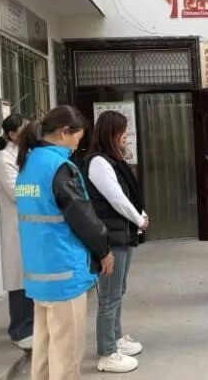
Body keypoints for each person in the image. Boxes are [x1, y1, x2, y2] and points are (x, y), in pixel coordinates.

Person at [15, 105, 114, 380]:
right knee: (66, 356)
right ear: (64, 132)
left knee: (45, 351)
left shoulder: (28, 163)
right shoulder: (59, 167)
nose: (76, 147)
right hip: (64, 273)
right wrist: (104, 250)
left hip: (39, 273)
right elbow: (83, 217)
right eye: (77, 140)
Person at [83, 111, 148, 373]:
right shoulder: (98, 162)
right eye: (122, 131)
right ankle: (107, 351)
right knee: (109, 296)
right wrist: (139, 219)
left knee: (118, 290)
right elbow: (116, 199)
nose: (125, 136)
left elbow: (127, 195)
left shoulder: (113, 160)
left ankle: (116, 337)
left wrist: (140, 214)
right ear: (110, 133)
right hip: (111, 237)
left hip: (122, 234)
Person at [0, 114, 33, 350]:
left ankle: (30, 326)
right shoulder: (3, 159)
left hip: (31, 226)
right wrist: (39, 189)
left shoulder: (27, 154)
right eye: (24, 129)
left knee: (30, 276)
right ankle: (19, 330)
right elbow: (19, 192)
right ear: (12, 134)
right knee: (19, 279)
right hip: (16, 227)